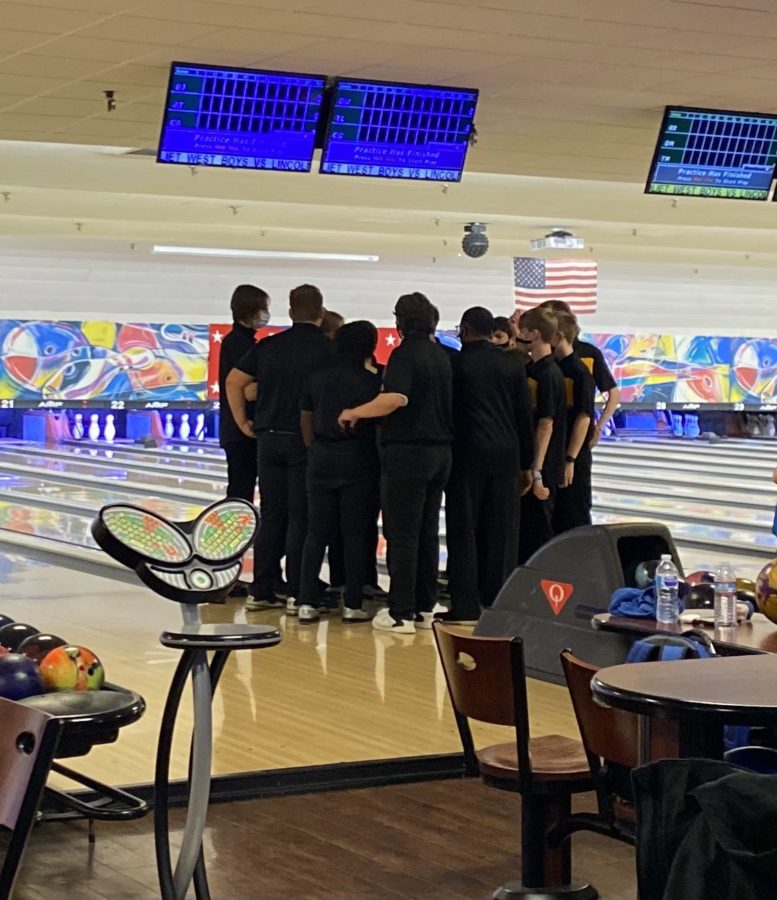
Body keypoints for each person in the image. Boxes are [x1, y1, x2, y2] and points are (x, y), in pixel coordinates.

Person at [339, 292, 453, 634]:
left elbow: (395, 398)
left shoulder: (405, 355)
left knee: (402, 534)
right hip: (441, 454)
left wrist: (354, 411)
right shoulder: (442, 355)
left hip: (409, 453)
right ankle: (425, 605)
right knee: (427, 532)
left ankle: (400, 612)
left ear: (401, 323)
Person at [226, 284, 333, 611]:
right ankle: (297, 591)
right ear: (321, 313)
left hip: (268, 440)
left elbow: (234, 381)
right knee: (301, 514)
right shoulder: (329, 350)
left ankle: (261, 590)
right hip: (303, 440)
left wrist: (243, 422)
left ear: (290, 312)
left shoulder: (269, 346)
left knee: (272, 515)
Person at [445, 307, 533, 620]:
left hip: (466, 457)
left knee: (463, 532)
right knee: (502, 536)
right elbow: (525, 417)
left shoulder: (457, 364)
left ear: (465, 330)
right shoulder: (511, 365)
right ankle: (497, 605)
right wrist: (528, 466)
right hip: (507, 457)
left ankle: (465, 604)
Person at [296, 322, 383, 623]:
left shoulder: (315, 379)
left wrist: (315, 449)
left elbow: (306, 421)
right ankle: (353, 604)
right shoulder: (373, 383)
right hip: (358, 461)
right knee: (356, 534)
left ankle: (305, 602)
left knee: (316, 532)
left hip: (320, 459)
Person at [217, 285, 270, 600]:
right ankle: (225, 573)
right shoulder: (237, 343)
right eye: (264, 307)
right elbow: (245, 390)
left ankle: (227, 573)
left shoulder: (241, 341)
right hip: (242, 432)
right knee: (238, 502)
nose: (266, 313)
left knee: (239, 500)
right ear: (252, 310)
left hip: (239, 432)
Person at [516, 306, 566, 564]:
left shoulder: (548, 375)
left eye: (522, 330)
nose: (518, 334)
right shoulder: (536, 369)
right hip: (538, 468)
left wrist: (536, 473)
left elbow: (546, 425)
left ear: (533, 334)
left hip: (542, 471)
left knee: (536, 540)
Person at [539, 299, 620, 446]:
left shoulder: (589, 353)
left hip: (578, 432)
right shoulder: (543, 353)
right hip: (548, 431)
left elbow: (613, 393)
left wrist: (599, 426)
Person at [552, 312, 595, 533]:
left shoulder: (579, 371)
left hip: (574, 457)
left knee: (574, 518)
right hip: (560, 454)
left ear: (558, 336)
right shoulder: (555, 366)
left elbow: (583, 417)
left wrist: (570, 460)